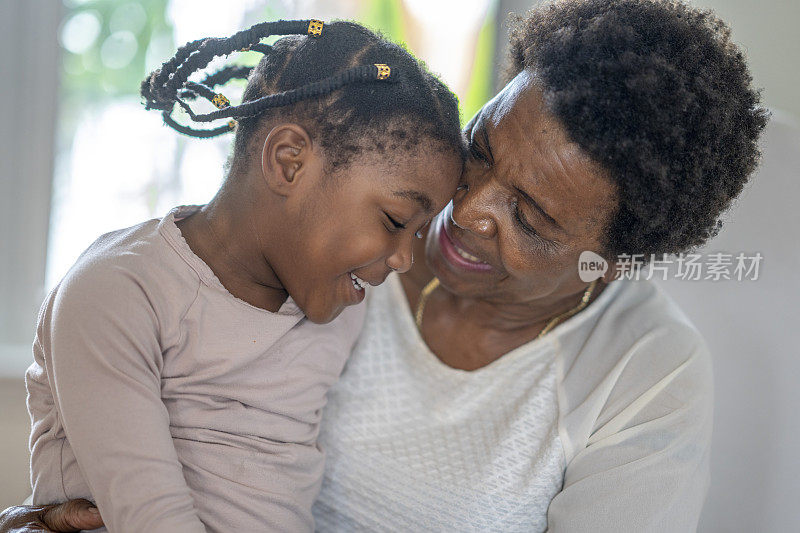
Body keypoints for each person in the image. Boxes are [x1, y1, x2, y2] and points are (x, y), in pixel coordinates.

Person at [1, 0, 768, 531]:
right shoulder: (331, 235)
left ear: (613, 263)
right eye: (481, 149)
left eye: (530, 219)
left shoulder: (644, 373)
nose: (465, 213)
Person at [19, 19, 463, 533]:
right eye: (394, 222)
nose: (406, 258)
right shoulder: (118, 293)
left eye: (419, 233)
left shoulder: (339, 312)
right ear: (289, 161)